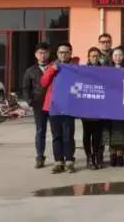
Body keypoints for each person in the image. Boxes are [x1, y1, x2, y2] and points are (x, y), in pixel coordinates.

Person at [40, 42, 77, 174]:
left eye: (66, 52)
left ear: (70, 54)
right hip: (54, 107)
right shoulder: (51, 66)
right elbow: (43, 82)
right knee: (57, 136)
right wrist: (52, 70)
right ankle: (58, 162)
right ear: (57, 54)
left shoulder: (74, 68)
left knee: (68, 135)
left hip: (68, 106)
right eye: (61, 52)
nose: (63, 55)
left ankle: (69, 161)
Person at [22, 42, 51, 169]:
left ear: (49, 54)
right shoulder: (30, 71)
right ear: (36, 55)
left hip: (53, 103)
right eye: (40, 53)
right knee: (40, 130)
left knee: (57, 131)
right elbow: (25, 88)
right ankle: (40, 157)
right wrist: (30, 101)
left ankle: (60, 158)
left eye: (45, 53)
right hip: (38, 104)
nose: (43, 55)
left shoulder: (54, 68)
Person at [107, 47, 124, 167]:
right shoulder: (106, 70)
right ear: (112, 57)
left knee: (122, 130)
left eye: (120, 55)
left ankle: (120, 155)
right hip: (110, 105)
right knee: (111, 130)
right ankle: (112, 154)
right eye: (115, 55)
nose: (118, 57)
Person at [82, 47, 106, 170]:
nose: (95, 58)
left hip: (99, 107)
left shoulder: (105, 70)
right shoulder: (83, 70)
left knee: (97, 134)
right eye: (92, 56)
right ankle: (89, 157)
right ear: (88, 57)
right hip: (86, 107)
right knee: (87, 134)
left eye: (97, 56)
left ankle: (97, 156)